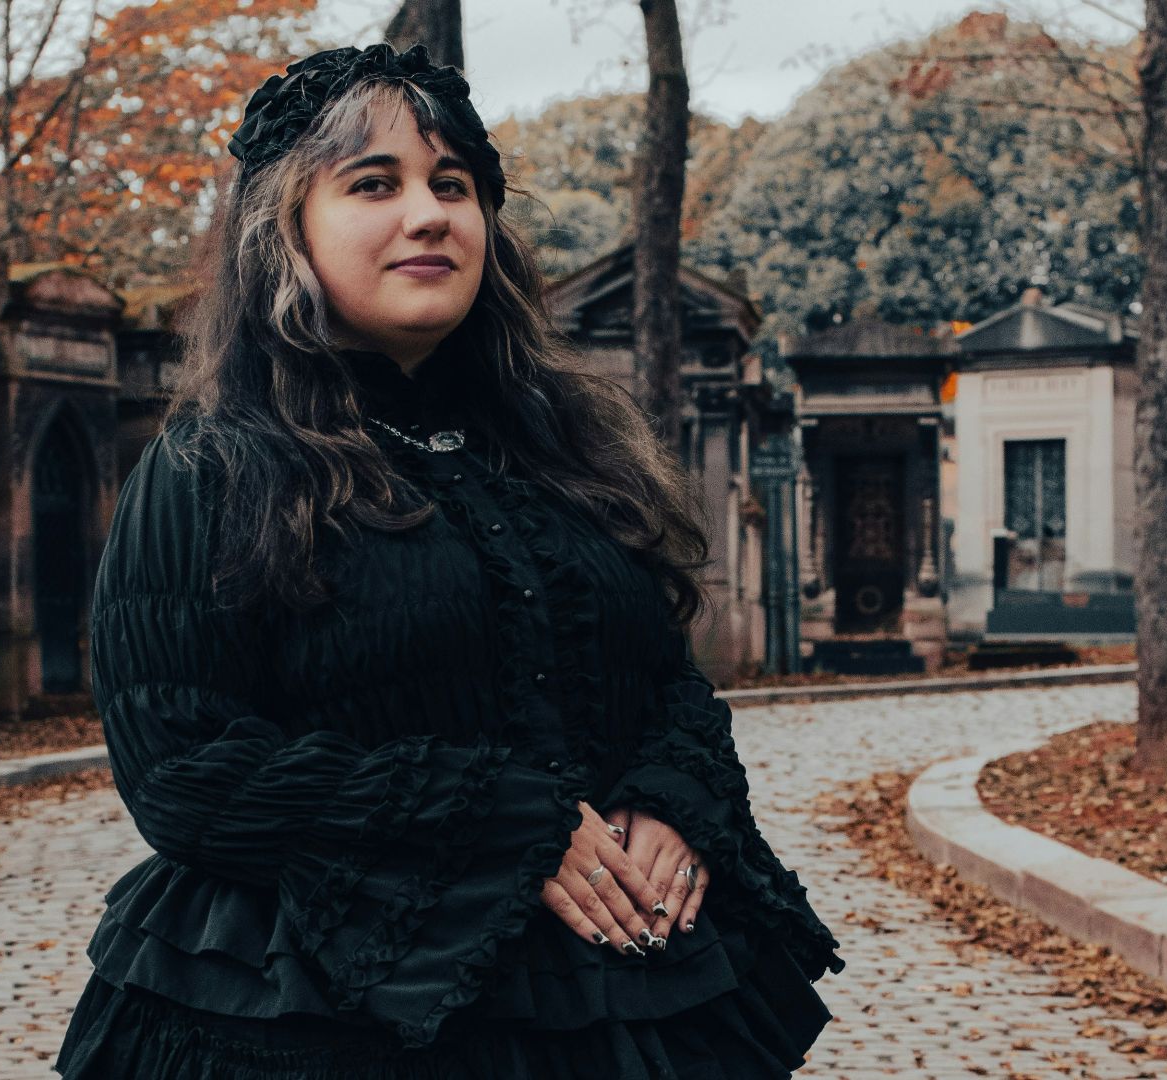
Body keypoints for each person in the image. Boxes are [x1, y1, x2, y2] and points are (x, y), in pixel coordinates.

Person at [53, 42, 843, 1079]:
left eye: (453, 185)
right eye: (374, 183)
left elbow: (663, 682)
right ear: (284, 226)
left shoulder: (565, 451)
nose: (429, 214)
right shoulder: (213, 468)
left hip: (609, 1003)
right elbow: (185, 771)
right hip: (322, 1007)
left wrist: (669, 796)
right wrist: (501, 821)